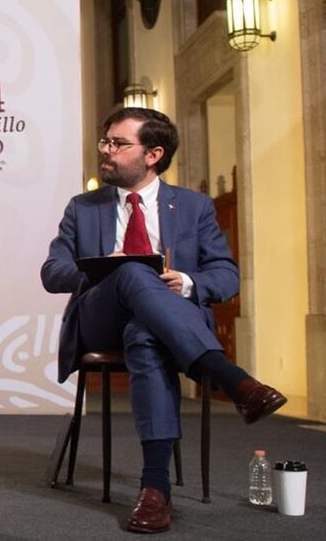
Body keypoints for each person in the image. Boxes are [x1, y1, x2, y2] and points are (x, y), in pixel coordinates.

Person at [41, 107, 286, 533]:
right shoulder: (83, 207)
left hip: (162, 326)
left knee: (144, 336)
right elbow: (52, 272)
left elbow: (226, 275)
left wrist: (188, 282)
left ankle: (155, 490)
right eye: (106, 141)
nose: (106, 150)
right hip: (101, 317)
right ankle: (230, 377)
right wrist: (101, 268)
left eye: (118, 143)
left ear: (153, 153)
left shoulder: (193, 206)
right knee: (133, 271)